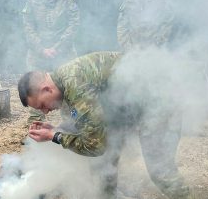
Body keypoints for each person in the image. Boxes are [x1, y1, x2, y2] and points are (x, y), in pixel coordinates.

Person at [17, 52, 192, 199]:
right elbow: (86, 123)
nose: (46, 112)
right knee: (103, 164)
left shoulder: (76, 86)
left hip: (160, 103)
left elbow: (95, 146)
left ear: (47, 89)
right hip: (132, 107)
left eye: (41, 105)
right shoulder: (63, 82)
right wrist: (57, 130)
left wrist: (54, 136)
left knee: (160, 172)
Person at [22, 0, 79, 125]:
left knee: (68, 90)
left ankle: (71, 128)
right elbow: (28, 27)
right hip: (37, 54)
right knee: (34, 89)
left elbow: (74, 24)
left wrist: (57, 47)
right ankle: (35, 129)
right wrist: (41, 49)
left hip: (64, 52)